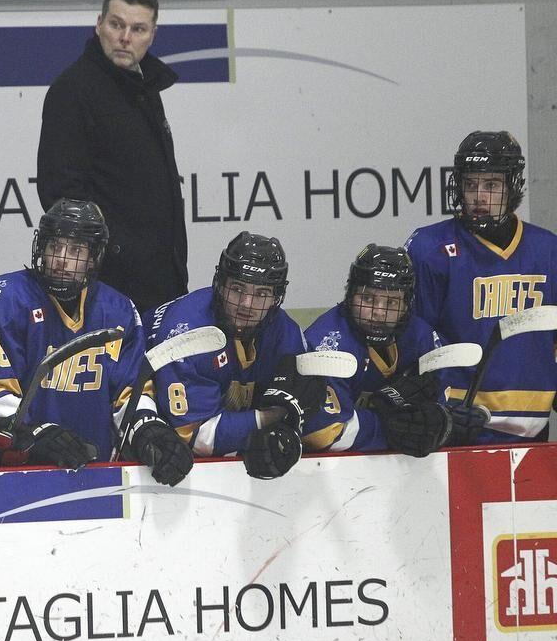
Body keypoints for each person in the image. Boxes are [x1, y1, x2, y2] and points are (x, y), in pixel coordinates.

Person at [0, 199, 192, 485]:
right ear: (40, 248)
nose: (61, 260)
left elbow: (129, 395)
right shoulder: (3, 300)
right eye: (54, 247)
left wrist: (147, 428)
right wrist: (33, 434)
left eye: (75, 251)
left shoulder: (117, 310)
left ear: (94, 258)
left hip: (96, 474)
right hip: (15, 475)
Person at [36, 0, 186, 313]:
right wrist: (113, 250)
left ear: (152, 35)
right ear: (99, 24)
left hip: (161, 280)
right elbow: (60, 191)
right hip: (107, 285)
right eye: (116, 24)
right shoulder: (72, 91)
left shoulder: (144, 88)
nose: (124, 37)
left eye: (138, 28)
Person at [407, 130, 557, 444]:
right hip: (457, 422)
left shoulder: (547, 250)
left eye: (491, 185)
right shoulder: (429, 247)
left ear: (512, 187)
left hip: (531, 427)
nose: (479, 196)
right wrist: (437, 409)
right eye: (471, 184)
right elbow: (414, 341)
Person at [144, 232, 322, 480]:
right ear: (221, 285)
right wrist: (275, 417)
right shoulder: (188, 331)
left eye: (261, 294)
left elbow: (313, 411)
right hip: (145, 444)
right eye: (238, 289)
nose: (247, 304)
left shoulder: (283, 332)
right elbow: (196, 436)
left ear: (275, 298)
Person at [300, 245, 452, 457]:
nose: (378, 312)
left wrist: (444, 422)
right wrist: (389, 427)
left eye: (391, 302)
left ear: (406, 304)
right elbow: (321, 434)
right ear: (350, 295)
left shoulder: (420, 336)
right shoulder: (328, 344)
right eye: (368, 299)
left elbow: (440, 404)